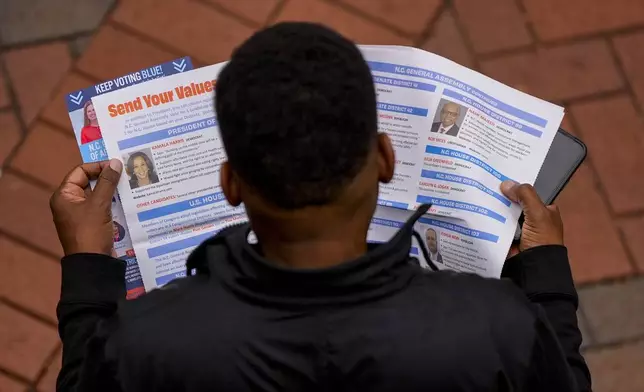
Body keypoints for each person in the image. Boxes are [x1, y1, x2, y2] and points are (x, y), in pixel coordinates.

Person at [51, 23, 591, 391]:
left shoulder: (144, 343)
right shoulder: (499, 328)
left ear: (231, 184)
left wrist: (88, 278)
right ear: (384, 158)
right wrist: (542, 278)